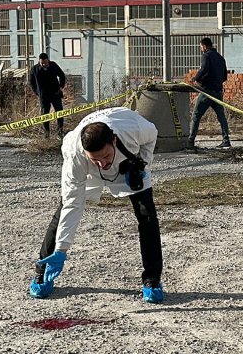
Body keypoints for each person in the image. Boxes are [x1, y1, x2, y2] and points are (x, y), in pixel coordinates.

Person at [30, 107, 165, 304]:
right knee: (63, 210)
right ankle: (43, 271)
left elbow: (152, 134)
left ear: (114, 141)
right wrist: (62, 249)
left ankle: (152, 280)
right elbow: (72, 203)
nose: (102, 163)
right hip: (88, 173)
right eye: (95, 159)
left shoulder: (133, 129)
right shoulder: (74, 153)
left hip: (127, 167)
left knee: (147, 216)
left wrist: (142, 163)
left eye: (105, 156)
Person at [186, 37, 231, 149]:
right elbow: (225, 76)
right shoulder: (221, 58)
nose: (201, 49)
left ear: (204, 46)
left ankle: (190, 141)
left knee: (196, 115)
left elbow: (204, 69)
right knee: (221, 117)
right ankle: (226, 140)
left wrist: (196, 78)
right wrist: (217, 83)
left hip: (207, 92)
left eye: (201, 47)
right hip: (218, 91)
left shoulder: (206, 56)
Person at [29, 53, 68, 137]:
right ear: (39, 61)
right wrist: (37, 92)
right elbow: (31, 82)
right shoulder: (34, 69)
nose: (44, 64)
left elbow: (62, 75)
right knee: (45, 114)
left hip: (55, 93)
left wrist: (61, 86)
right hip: (43, 96)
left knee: (59, 112)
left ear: (48, 61)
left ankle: (60, 131)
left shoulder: (53, 65)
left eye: (45, 63)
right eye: (42, 63)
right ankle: (46, 133)